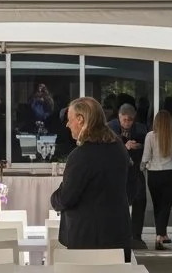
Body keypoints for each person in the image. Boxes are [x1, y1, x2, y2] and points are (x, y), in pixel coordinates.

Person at [51, 97, 132, 259]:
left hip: (87, 240)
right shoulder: (119, 148)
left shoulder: (81, 155)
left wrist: (55, 197)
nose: (67, 124)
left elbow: (66, 197)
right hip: (118, 233)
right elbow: (131, 187)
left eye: (70, 120)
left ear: (80, 120)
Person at [111, 104, 151, 250]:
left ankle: (136, 236)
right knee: (119, 203)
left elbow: (147, 146)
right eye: (124, 120)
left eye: (130, 120)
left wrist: (137, 146)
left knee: (140, 200)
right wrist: (124, 146)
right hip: (117, 172)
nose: (127, 123)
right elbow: (108, 146)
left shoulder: (140, 129)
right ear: (119, 117)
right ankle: (119, 235)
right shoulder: (110, 128)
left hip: (135, 171)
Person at [143, 109, 172, 250]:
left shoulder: (150, 136)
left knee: (157, 206)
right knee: (166, 206)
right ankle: (160, 236)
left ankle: (161, 234)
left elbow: (146, 156)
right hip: (170, 173)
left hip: (153, 174)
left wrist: (142, 166)